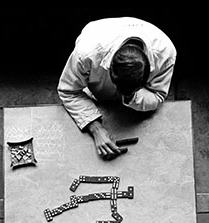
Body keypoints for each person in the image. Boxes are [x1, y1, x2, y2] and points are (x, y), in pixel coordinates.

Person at [58, 17, 177, 160]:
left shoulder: (165, 54)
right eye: (118, 87)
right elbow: (67, 90)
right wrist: (95, 128)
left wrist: (131, 97)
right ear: (110, 70)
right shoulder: (86, 54)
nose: (120, 94)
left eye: (130, 90)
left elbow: (157, 96)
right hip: (96, 36)